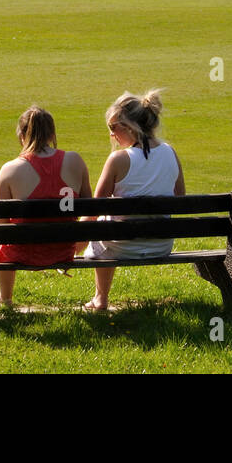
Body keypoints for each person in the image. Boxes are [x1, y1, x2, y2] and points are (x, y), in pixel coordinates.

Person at [82, 90, 185, 312]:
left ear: (130, 126)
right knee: (108, 227)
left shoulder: (118, 160)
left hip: (122, 247)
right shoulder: (170, 153)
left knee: (103, 228)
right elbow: (180, 198)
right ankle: (100, 297)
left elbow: (94, 208)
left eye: (113, 128)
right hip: (161, 244)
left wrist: (70, 240)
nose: (111, 135)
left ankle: (101, 298)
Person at [0, 106, 92, 310]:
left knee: (3, 243)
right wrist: (80, 239)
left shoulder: (10, 169)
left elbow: (0, 227)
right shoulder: (75, 161)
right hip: (63, 250)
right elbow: (90, 207)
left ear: (22, 135)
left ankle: (4, 299)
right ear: (52, 134)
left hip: (21, 252)